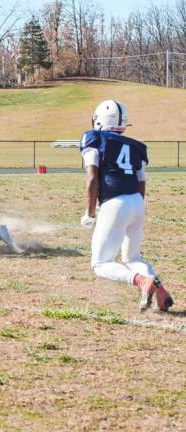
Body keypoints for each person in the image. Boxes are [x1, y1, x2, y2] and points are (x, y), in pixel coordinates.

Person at [80, 99, 173, 312]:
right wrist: (135, 206)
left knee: (101, 263)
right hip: (136, 201)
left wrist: (90, 212)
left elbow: (92, 179)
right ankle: (159, 290)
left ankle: (141, 281)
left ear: (99, 119)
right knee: (132, 257)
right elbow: (141, 181)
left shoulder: (94, 138)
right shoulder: (135, 146)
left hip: (115, 202)